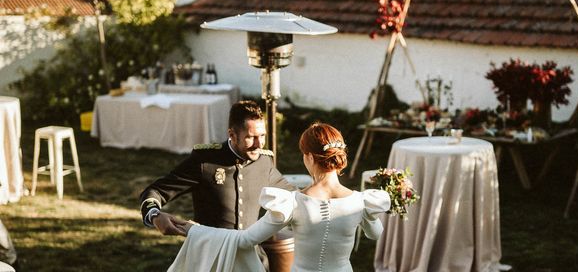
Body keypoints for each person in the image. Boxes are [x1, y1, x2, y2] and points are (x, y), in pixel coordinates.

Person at [168, 122, 391, 271]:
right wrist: (368, 216)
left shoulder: (292, 202)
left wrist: (193, 230)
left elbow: (245, 240)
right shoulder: (361, 202)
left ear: (310, 157)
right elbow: (375, 234)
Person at [139, 100, 295, 235]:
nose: (259, 144)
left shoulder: (264, 162)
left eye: (262, 135)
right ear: (232, 135)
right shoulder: (205, 161)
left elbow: (294, 194)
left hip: (250, 254)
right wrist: (155, 215)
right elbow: (156, 191)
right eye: (251, 137)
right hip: (212, 253)